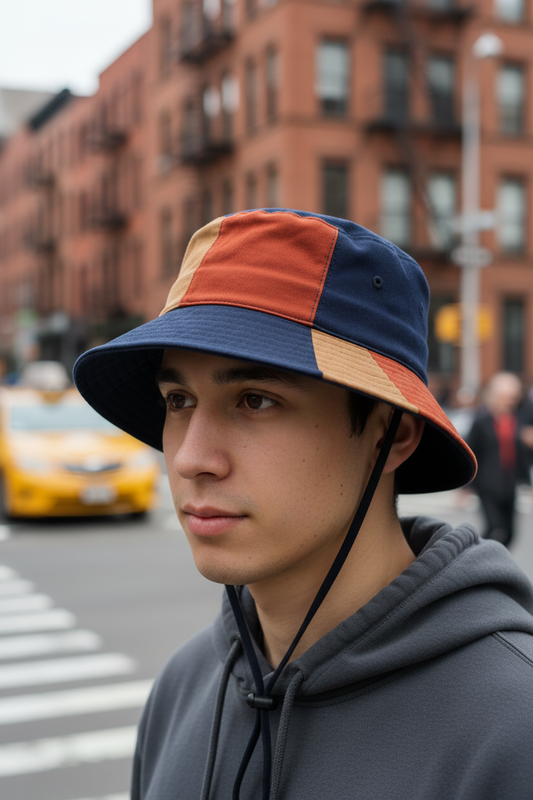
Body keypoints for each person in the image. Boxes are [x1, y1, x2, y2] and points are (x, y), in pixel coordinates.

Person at [73, 210, 533, 800]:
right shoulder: (184, 687)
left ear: (391, 436)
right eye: (178, 398)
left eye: (256, 400)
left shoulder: (512, 728)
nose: (191, 458)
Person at [466, 372, 532, 548]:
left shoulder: (517, 421)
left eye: (512, 397)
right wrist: (467, 485)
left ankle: (496, 562)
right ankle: (478, 557)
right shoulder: (481, 421)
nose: (509, 400)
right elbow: (471, 450)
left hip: (509, 483)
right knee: (495, 528)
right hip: (487, 483)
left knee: (510, 532)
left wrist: (527, 482)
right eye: (505, 396)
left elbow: (522, 455)